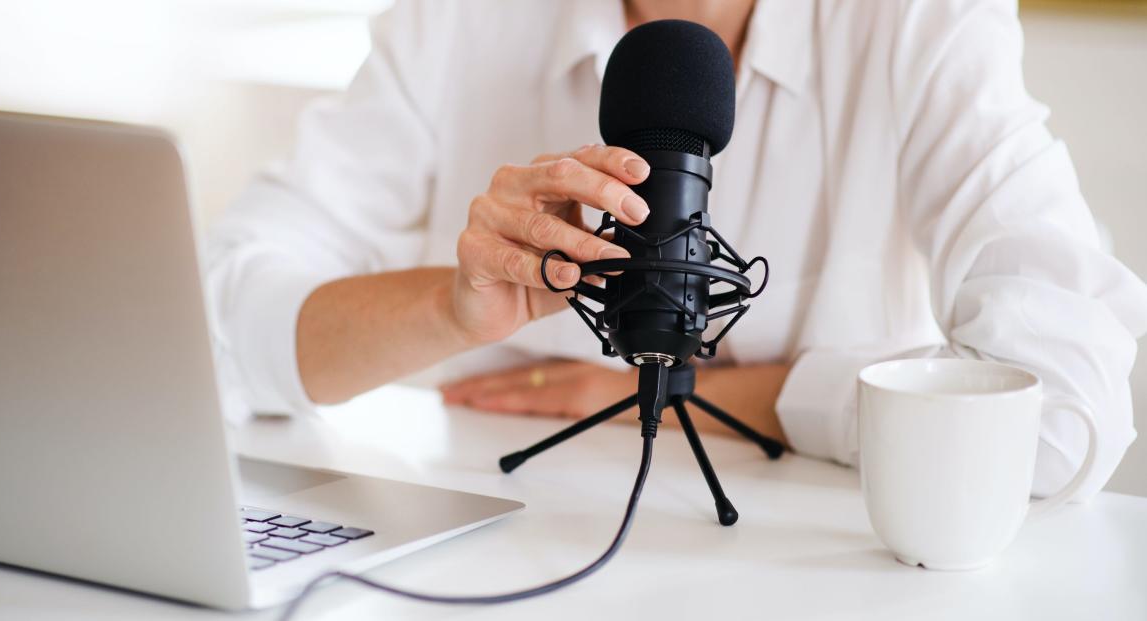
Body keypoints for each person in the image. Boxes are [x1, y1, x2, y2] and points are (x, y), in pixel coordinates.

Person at [206, 0, 1147, 499]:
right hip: (521, 541)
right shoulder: (457, 18)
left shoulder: (919, 20)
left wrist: (730, 394)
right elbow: (206, 327)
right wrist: (452, 305)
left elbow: (1063, 408)